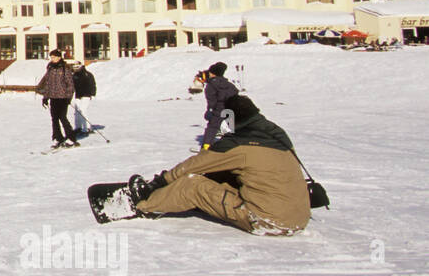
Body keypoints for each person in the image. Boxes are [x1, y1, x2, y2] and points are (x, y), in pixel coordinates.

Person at [114, 96, 310, 236]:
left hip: (268, 220)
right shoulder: (277, 135)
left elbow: (192, 167)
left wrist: (160, 182)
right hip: (299, 218)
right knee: (226, 179)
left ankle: (143, 205)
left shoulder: (238, 144)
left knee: (192, 185)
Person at [35, 49, 78, 149]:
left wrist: (68, 97)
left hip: (62, 98)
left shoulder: (64, 68)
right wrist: (45, 97)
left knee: (63, 117)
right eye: (51, 57)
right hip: (53, 97)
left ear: (59, 57)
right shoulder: (50, 68)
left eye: (54, 57)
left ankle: (71, 138)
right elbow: (48, 84)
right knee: (54, 119)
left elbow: (70, 85)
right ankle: (57, 138)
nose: (52, 59)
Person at [198, 62, 237, 150]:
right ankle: (233, 146)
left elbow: (211, 100)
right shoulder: (228, 84)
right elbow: (235, 93)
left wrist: (210, 110)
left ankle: (206, 146)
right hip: (230, 108)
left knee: (212, 127)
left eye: (210, 72)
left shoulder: (211, 85)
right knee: (231, 128)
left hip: (218, 109)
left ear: (213, 73)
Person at [72, 62, 97, 136]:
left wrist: (93, 93)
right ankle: (78, 127)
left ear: (81, 66)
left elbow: (93, 84)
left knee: (83, 110)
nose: (76, 68)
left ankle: (86, 128)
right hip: (78, 95)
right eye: (74, 67)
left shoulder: (87, 74)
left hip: (86, 94)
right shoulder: (74, 75)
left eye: (77, 66)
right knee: (77, 112)